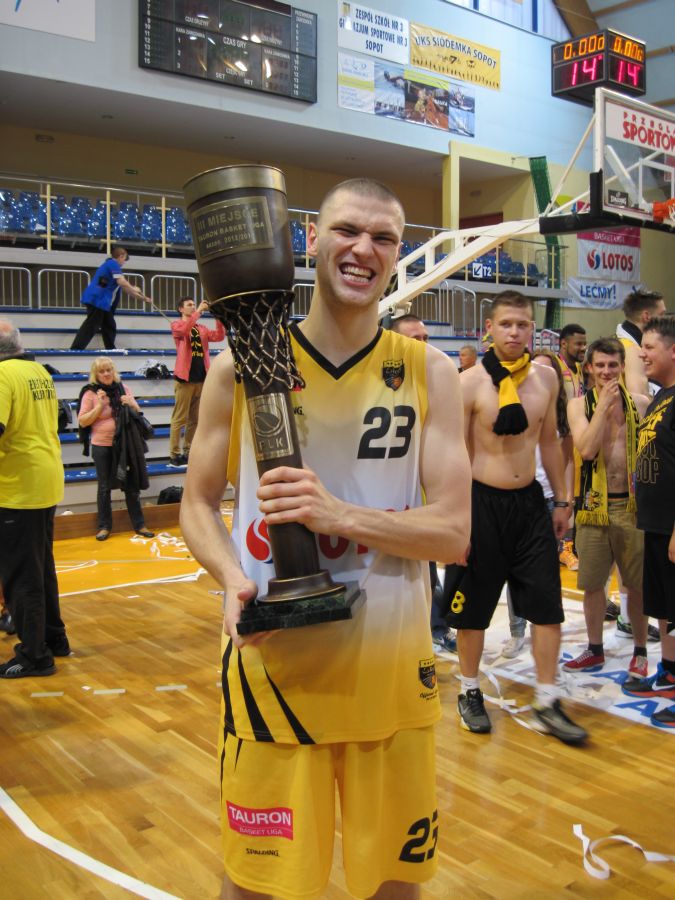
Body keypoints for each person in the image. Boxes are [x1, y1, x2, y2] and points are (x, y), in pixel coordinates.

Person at [180, 178, 472, 900]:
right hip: (272, 672)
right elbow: (196, 505)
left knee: (394, 885)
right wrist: (231, 579)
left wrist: (338, 515)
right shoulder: (236, 368)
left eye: (383, 238)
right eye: (347, 230)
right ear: (310, 239)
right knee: (255, 886)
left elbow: (454, 534)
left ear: (397, 255)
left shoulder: (429, 371)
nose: (363, 249)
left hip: (390, 675)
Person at [444, 289, 587, 744]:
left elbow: (549, 443)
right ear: (489, 328)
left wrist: (562, 500)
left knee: (547, 607)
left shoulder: (545, 379)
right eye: (506, 324)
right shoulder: (469, 383)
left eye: (522, 325)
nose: (514, 332)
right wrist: (457, 521)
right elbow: (454, 456)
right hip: (480, 504)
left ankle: (546, 699)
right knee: (473, 611)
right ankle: (469, 691)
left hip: (529, 505)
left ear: (532, 330)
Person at [564, 338, 650, 681]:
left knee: (637, 584)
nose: (606, 371)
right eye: (599, 365)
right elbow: (586, 449)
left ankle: (640, 650)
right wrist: (602, 408)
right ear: (589, 368)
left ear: (622, 367)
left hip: (632, 506)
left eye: (613, 365)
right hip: (593, 507)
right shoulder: (578, 406)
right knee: (592, 584)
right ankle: (595, 648)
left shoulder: (641, 404)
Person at [0, 318, 70, 677]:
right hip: (45, 477)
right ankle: (54, 638)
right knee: (42, 566)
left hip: (18, 485)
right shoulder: (38, 371)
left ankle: (34, 655)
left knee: (22, 574)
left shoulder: (2, 375)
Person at [390, 313, 455, 658]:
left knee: (427, 569)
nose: (423, 345)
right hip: (384, 496)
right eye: (415, 339)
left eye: (426, 338)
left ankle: (437, 628)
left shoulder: (439, 384)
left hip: (424, 496)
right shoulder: (378, 385)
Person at [501, 348, 572, 658]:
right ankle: (517, 631)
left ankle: (541, 630)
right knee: (513, 571)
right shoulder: (511, 405)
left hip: (547, 499)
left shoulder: (562, 414)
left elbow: (567, 461)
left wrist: (565, 500)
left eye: (547, 371)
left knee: (544, 576)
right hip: (518, 498)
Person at [622, 315, 675, 727]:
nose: (642, 355)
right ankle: (670, 674)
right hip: (655, 524)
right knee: (667, 608)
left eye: (650, 347)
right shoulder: (662, 397)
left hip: (671, 527)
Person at [78, 357, 154, 541]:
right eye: (102, 371)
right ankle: (104, 526)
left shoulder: (124, 389)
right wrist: (99, 406)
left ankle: (139, 524)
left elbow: (138, 413)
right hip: (101, 446)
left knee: (131, 485)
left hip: (126, 445)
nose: (106, 374)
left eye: (108, 370)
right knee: (104, 487)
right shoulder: (90, 393)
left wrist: (132, 404)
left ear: (113, 371)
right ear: (96, 374)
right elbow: (82, 421)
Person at [169, 297, 225, 466]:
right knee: (179, 418)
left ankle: (188, 450)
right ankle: (174, 453)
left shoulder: (201, 328)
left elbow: (219, 336)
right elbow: (183, 331)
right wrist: (199, 311)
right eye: (189, 305)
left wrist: (218, 317)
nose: (193, 307)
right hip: (184, 378)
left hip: (201, 378)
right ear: (181, 309)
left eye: (194, 304)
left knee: (195, 419)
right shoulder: (177, 325)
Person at [70, 246, 152, 350]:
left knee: (109, 324)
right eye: (124, 259)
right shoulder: (113, 264)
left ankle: (110, 348)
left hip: (102, 302)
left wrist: (144, 299)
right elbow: (122, 282)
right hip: (97, 299)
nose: (124, 262)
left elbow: (126, 288)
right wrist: (134, 288)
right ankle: (76, 349)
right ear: (121, 256)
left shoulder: (111, 267)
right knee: (92, 324)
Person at [617, 289, 667, 396]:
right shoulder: (633, 351)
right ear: (646, 316)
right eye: (662, 314)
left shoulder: (618, 341)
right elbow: (640, 398)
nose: (665, 320)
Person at [556, 323, 587, 402]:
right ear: (564, 344)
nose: (584, 348)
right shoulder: (554, 365)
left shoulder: (579, 367)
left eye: (584, 344)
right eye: (579, 344)